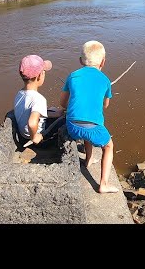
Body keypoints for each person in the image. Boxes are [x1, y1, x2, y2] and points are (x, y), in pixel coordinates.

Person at [60, 40, 118, 194]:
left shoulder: (72, 76)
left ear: (80, 61)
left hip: (72, 126)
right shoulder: (105, 80)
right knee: (109, 146)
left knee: (87, 131)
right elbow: (105, 105)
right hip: (91, 127)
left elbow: (63, 103)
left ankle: (88, 159)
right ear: (103, 62)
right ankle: (103, 184)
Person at [14, 54, 64, 145]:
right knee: (65, 120)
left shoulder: (20, 93)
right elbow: (32, 123)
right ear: (39, 76)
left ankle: (57, 113)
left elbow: (31, 113)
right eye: (44, 72)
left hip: (24, 134)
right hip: (37, 137)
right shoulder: (39, 99)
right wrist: (35, 137)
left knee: (53, 109)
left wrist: (56, 113)